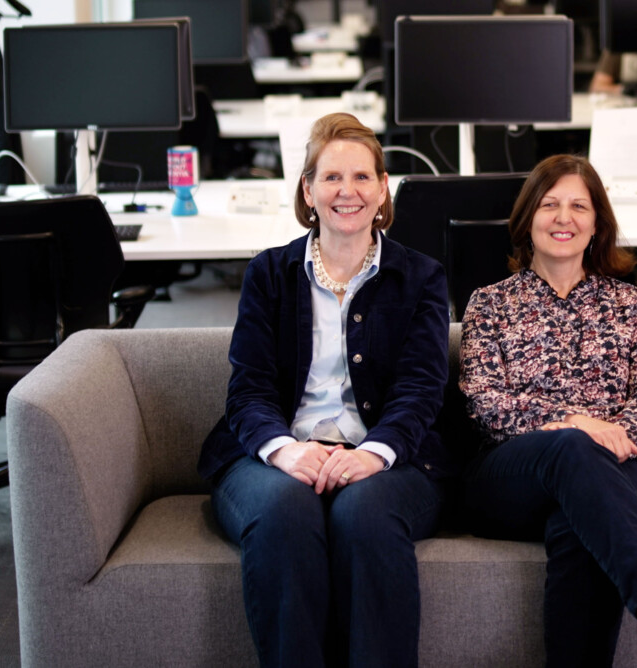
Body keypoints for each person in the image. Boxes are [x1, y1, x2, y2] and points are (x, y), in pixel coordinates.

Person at [198, 113, 452, 668]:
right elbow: (248, 390)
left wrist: (373, 454)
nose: (348, 192)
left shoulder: (422, 277)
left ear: (384, 189)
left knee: (365, 513)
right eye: (332, 178)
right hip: (275, 457)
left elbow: (421, 388)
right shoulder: (268, 274)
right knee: (285, 513)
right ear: (308, 190)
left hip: (389, 458)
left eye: (363, 177)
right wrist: (286, 451)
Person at [458, 154, 637, 668]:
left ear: (597, 224)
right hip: (514, 475)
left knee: (579, 526)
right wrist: (580, 425)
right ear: (527, 218)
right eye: (549, 204)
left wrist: (612, 434)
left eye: (579, 206)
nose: (564, 218)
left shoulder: (630, 304)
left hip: (623, 466)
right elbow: (485, 400)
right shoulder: (489, 304)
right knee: (573, 449)